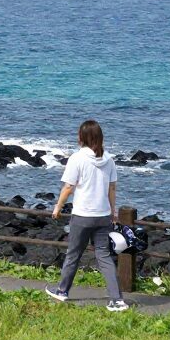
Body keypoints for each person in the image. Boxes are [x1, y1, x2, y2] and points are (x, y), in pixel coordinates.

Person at [45, 119, 129, 311]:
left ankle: (62, 291)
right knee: (105, 257)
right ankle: (117, 299)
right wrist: (113, 212)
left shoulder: (77, 158)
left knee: (73, 254)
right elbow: (112, 189)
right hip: (103, 215)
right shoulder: (109, 160)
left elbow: (68, 187)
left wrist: (57, 207)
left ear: (82, 137)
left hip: (82, 215)